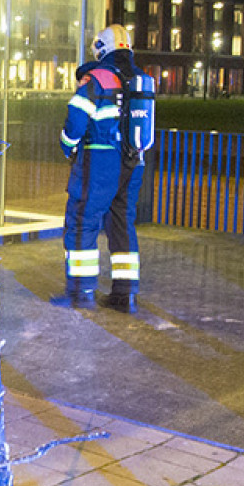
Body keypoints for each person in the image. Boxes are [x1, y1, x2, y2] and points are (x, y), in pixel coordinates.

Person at [61, 24, 146, 313]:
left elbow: (75, 121)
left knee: (83, 221)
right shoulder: (141, 80)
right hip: (134, 163)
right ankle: (125, 294)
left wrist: (67, 145)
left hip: (99, 163)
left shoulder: (96, 79)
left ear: (101, 48)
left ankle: (81, 292)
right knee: (122, 224)